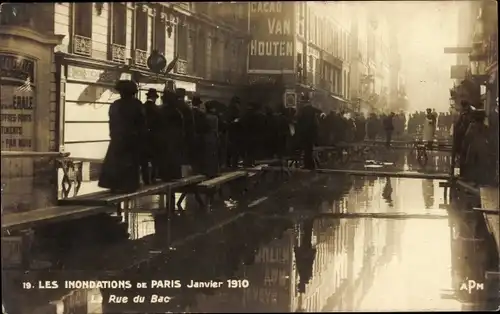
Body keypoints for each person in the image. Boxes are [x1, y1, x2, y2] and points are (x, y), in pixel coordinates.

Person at [98, 80, 146, 193]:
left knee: (115, 163)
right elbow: (142, 124)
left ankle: (114, 185)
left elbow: (112, 122)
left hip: (118, 139)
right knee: (130, 164)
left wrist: (114, 135)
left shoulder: (115, 105)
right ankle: (129, 185)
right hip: (132, 140)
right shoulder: (137, 105)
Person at [157, 89, 184, 181]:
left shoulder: (159, 110)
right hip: (174, 137)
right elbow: (180, 125)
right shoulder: (176, 112)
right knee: (173, 156)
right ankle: (174, 175)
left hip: (162, 137)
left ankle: (163, 175)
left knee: (163, 157)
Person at [140, 88, 161, 184]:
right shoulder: (157, 109)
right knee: (155, 159)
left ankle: (145, 179)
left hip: (143, 136)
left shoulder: (142, 107)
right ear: (154, 98)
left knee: (144, 159)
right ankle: (153, 178)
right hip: (154, 137)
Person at [296, 94, 319, 169]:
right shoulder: (313, 110)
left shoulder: (303, 111)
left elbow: (300, 122)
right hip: (311, 134)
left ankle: (309, 165)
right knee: (309, 150)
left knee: (307, 150)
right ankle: (310, 165)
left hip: (305, 134)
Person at [191, 95, 210, 174]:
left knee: (192, 155)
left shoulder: (189, 112)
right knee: (200, 155)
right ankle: (199, 171)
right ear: (198, 104)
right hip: (200, 137)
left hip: (191, 136)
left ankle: (193, 170)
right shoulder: (201, 114)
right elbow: (205, 127)